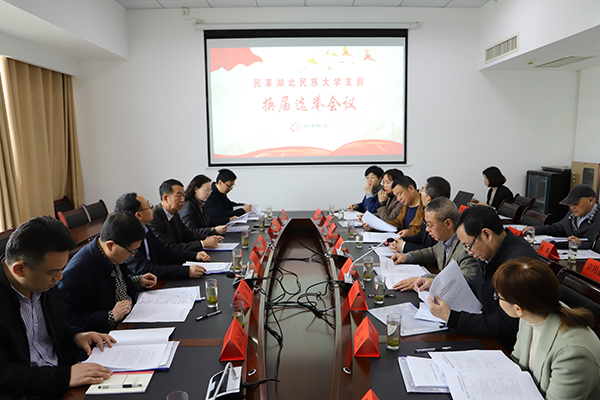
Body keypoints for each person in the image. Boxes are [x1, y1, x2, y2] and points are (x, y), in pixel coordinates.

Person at [0, 216, 115, 399]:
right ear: (19, 269)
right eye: (53, 272)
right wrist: (65, 376)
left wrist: (76, 336)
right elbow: (4, 376)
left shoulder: (43, 283)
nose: (60, 277)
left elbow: (54, 327)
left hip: (59, 377)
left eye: (62, 268)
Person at [414, 205, 539, 351]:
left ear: (487, 235)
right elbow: (476, 287)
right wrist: (439, 285)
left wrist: (451, 317)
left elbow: (507, 324)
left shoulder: (517, 265)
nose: (469, 252)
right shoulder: (488, 251)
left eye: (468, 245)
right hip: (484, 332)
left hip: (504, 347)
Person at [494, 257, 600, 399]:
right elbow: (517, 362)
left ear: (518, 308)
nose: (497, 297)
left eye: (498, 296)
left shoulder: (573, 353)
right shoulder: (530, 315)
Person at [58, 213, 157, 333]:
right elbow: (69, 321)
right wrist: (110, 316)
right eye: (131, 251)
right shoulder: (76, 273)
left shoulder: (110, 253)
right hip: (109, 333)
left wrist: (137, 281)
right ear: (110, 245)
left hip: (134, 315)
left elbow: (112, 285)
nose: (132, 256)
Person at [114, 192, 209, 279]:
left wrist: (194, 255)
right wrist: (186, 271)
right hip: (141, 285)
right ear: (139, 215)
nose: (152, 208)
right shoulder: (126, 237)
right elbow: (145, 269)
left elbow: (164, 251)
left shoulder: (146, 228)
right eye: (148, 206)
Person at [392, 197, 477, 291]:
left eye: (430, 225)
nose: (427, 229)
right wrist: (408, 257)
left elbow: (465, 280)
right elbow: (433, 251)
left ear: (448, 224)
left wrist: (425, 278)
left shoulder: (466, 246)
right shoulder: (444, 238)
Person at [149, 179, 223, 252]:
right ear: (165, 198)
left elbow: (186, 233)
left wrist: (207, 238)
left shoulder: (174, 213)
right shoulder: (153, 218)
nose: (183, 200)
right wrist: (202, 244)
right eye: (179, 196)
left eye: (183, 195)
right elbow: (169, 248)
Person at [524, 184, 600, 249]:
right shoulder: (572, 215)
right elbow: (557, 228)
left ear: (591, 201)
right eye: (570, 204)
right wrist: (535, 229)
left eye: (576, 204)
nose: (572, 208)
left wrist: (582, 245)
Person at [392, 176, 451, 253]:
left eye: (422, 191)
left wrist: (404, 246)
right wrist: (399, 241)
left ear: (428, 199)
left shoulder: (441, 220)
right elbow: (420, 237)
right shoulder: (429, 213)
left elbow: (431, 251)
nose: (420, 194)